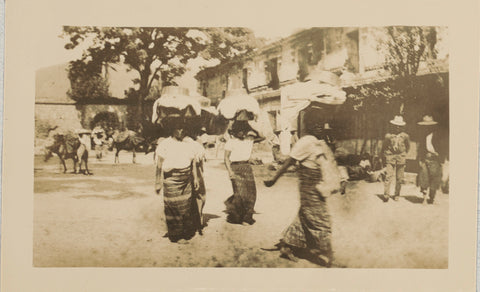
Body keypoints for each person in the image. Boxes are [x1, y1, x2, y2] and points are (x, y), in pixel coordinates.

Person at [263, 119, 341, 267]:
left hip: (318, 184)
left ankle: (287, 247)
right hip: (309, 185)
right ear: (308, 125)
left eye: (320, 123)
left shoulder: (319, 142)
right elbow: (290, 161)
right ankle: (330, 258)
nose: (319, 126)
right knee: (321, 221)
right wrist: (274, 178)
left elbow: (328, 165)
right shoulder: (305, 142)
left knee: (305, 215)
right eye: (315, 123)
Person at [155, 117, 200, 243]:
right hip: (171, 179)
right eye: (178, 128)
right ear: (172, 129)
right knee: (173, 207)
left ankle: (184, 232)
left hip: (186, 179)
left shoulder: (189, 144)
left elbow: (193, 163)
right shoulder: (165, 144)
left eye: (183, 128)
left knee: (185, 207)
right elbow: (159, 165)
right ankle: (176, 235)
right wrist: (158, 182)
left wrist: (195, 178)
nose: (181, 131)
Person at [223, 121, 259, 225]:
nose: (242, 133)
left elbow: (262, 137)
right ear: (235, 131)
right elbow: (226, 158)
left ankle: (247, 217)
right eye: (240, 131)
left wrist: (251, 127)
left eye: (244, 131)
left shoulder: (249, 140)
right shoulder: (231, 142)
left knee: (251, 193)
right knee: (240, 194)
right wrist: (230, 172)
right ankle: (237, 217)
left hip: (247, 167)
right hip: (235, 167)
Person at [381, 116, 410, 202]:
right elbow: (384, 147)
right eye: (395, 125)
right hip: (390, 157)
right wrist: (386, 155)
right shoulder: (388, 136)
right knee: (388, 176)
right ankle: (386, 195)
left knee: (399, 178)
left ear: (402, 127)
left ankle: (396, 194)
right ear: (392, 126)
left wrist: (403, 154)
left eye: (399, 126)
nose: (397, 127)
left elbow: (408, 147)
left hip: (401, 157)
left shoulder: (405, 136)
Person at [417, 115, 443, 205]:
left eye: (428, 126)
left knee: (435, 179)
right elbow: (420, 148)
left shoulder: (437, 135)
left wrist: (439, 156)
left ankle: (432, 198)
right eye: (425, 126)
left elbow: (442, 148)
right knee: (424, 178)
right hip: (425, 159)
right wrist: (420, 159)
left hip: (435, 160)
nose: (426, 128)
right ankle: (424, 198)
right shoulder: (421, 136)